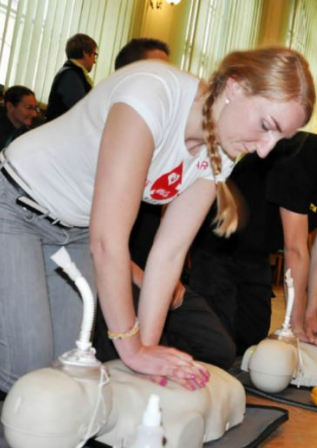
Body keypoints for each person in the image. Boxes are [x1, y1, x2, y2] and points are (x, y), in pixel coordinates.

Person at [0, 48, 315, 392]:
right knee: (26, 374)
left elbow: (170, 252)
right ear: (235, 87)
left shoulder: (223, 148)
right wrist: (131, 348)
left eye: (279, 139)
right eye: (267, 127)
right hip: (14, 205)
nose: (265, 149)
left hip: (74, 231)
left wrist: (145, 351)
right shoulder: (152, 94)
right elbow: (107, 242)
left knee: (65, 369)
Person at [91, 38, 235, 370]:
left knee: (219, 352)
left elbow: (170, 245)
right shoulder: (123, 122)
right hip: (112, 269)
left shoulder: (180, 141)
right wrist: (140, 278)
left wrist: (168, 284)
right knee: (35, 363)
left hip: (154, 277)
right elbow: (97, 237)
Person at [189, 131, 317, 355]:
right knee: (216, 342)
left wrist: (312, 316)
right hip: (218, 247)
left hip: (257, 254)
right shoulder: (300, 156)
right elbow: (296, 249)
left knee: (251, 339)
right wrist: (296, 323)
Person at [45, 33, 97, 122]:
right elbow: (82, 110)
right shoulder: (71, 76)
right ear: (85, 53)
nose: (95, 61)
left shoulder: (70, 73)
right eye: (94, 54)